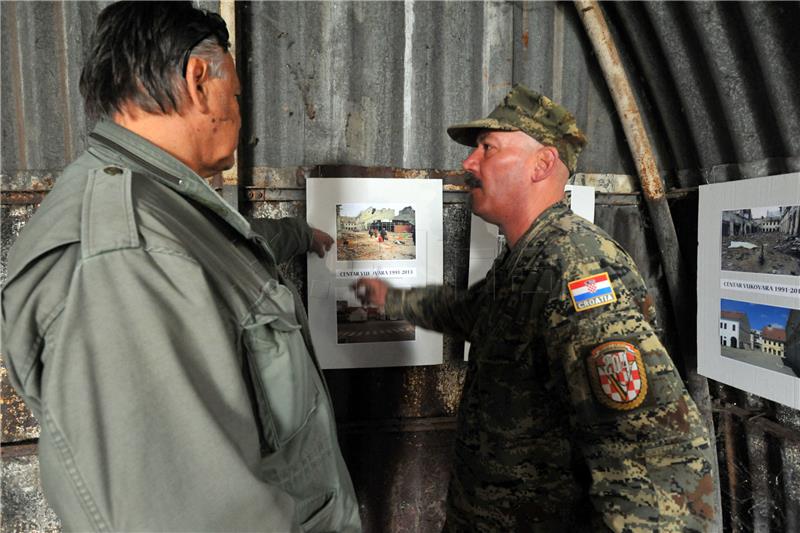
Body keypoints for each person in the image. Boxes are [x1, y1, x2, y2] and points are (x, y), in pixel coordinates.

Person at [1, 3, 360, 531]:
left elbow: (232, 251)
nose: (239, 112)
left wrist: (301, 235)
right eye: (235, 95)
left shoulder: (160, 205)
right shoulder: (127, 255)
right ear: (199, 80)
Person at [355, 85, 717, 531]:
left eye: (488, 148)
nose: (469, 163)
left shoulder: (574, 265)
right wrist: (391, 298)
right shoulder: (529, 257)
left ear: (542, 164)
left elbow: (652, 450)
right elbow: (473, 314)